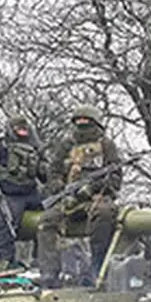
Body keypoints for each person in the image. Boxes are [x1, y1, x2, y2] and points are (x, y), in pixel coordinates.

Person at [37, 104, 122, 288]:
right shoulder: (66, 145)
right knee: (47, 221)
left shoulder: (106, 145)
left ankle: (97, 266)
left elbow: (115, 178)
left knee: (105, 214)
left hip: (95, 197)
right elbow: (54, 172)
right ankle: (49, 273)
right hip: (69, 199)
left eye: (87, 123)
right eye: (79, 122)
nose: (82, 127)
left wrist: (92, 189)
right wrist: (60, 187)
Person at [0, 114, 48, 270]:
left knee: (49, 216)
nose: (21, 131)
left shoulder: (36, 147)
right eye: (18, 128)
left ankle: (41, 260)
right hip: (8, 193)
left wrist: (44, 170)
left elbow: (46, 176)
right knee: (6, 223)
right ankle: (6, 262)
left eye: (24, 128)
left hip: (31, 192)